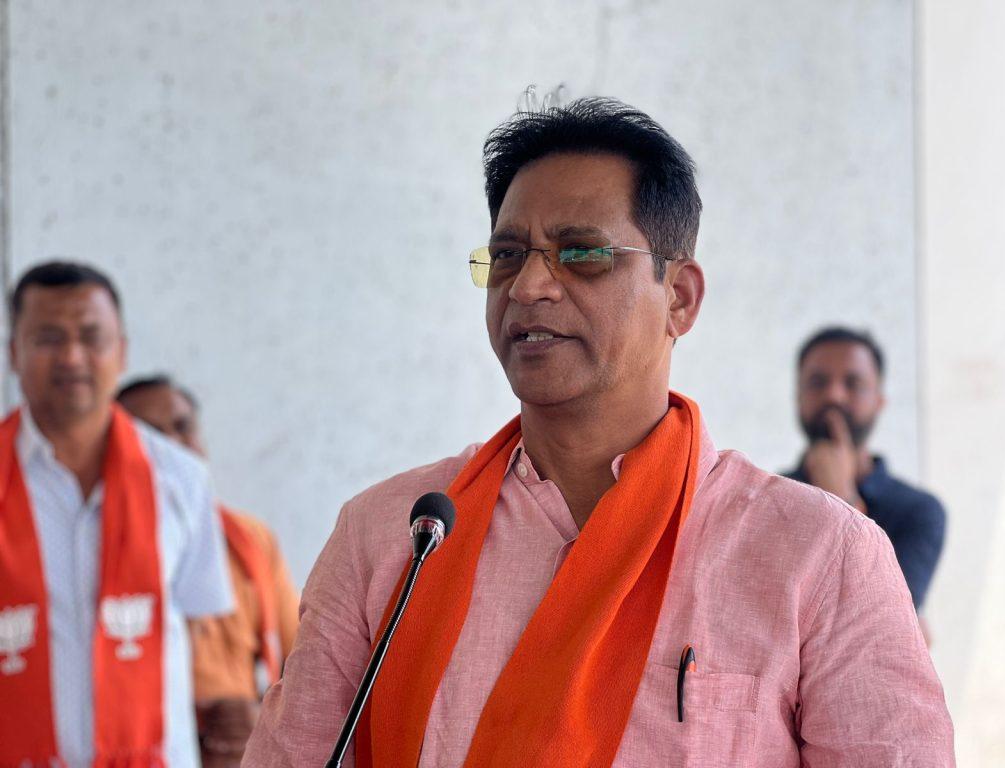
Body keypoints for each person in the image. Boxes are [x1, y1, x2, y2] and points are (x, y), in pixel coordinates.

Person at [242, 97, 954, 766]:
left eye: (581, 252)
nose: (528, 287)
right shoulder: (392, 535)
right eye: (508, 255)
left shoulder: (817, 554)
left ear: (679, 298)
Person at [0, 261, 233, 767]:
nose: (72, 357)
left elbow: (201, 630)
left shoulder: (181, 478)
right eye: (48, 338)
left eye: (91, 337)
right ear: (13, 353)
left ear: (122, 351)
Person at [117, 374, 300, 768]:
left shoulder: (250, 539)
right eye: (152, 434)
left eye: (183, 427)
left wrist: (263, 716)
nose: (174, 444)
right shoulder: (103, 551)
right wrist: (194, 725)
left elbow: (305, 662)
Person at [783, 327, 947, 611]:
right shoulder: (769, 497)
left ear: (879, 400)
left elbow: (890, 617)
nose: (834, 395)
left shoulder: (918, 511)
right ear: (798, 396)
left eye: (853, 383)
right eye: (818, 382)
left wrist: (842, 498)